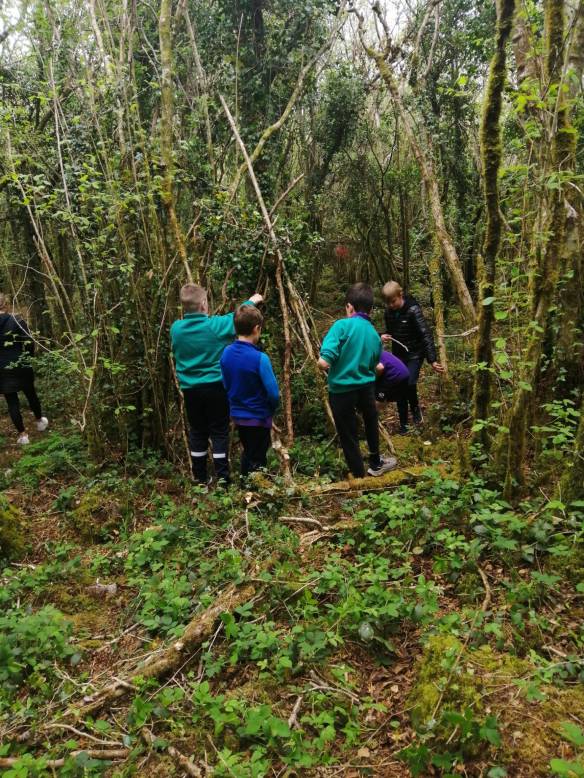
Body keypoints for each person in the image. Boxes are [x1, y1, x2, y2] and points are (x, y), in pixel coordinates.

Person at [170, 284, 262, 486]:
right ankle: (222, 479)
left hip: (190, 390)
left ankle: (200, 478)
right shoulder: (215, 325)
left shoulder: (176, 329)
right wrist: (252, 300)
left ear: (184, 306)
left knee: (197, 431)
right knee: (219, 431)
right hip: (216, 387)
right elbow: (237, 317)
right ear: (204, 304)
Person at [318, 282, 397, 478]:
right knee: (371, 422)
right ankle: (375, 463)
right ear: (370, 309)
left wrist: (330, 361)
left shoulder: (341, 326)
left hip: (341, 391)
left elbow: (323, 362)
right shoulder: (374, 334)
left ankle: (359, 476)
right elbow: (376, 365)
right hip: (366, 387)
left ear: (349, 306)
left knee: (348, 434)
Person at [220, 305, 279, 477]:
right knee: (258, 457)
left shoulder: (226, 353)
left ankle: (245, 483)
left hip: (238, 416)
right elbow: (273, 393)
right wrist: (270, 410)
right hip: (258, 416)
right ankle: (254, 488)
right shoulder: (260, 358)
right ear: (256, 329)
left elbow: (225, 383)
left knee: (248, 451)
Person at [381, 281, 445, 434]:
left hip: (415, 354)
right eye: (388, 303)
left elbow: (425, 334)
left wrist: (432, 360)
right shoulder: (388, 312)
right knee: (400, 385)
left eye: (393, 301)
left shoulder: (413, 309)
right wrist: (382, 336)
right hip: (398, 354)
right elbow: (389, 331)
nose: (391, 305)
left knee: (409, 382)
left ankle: (416, 411)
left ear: (400, 295)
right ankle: (403, 423)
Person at [0, 293, 48, 445]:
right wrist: (27, 358)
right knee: (31, 393)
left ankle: (23, 435)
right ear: (5, 304)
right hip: (21, 363)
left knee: (12, 402)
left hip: (2, 369)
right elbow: (28, 341)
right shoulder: (17, 320)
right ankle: (40, 422)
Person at [374, 349, 410, 413]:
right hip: (405, 374)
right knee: (381, 399)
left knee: (378, 400)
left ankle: (370, 417)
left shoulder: (368, 355)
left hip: (394, 375)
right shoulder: (377, 350)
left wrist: (374, 380)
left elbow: (379, 368)